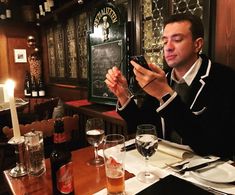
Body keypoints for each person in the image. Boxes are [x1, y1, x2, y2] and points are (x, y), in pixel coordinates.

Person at [105, 13, 235, 159]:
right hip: (166, 164)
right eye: (165, 41)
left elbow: (210, 144)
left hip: (209, 172)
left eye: (177, 40)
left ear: (197, 44)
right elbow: (144, 127)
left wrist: (165, 95)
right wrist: (123, 95)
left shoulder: (225, 79)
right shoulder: (163, 77)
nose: (168, 48)